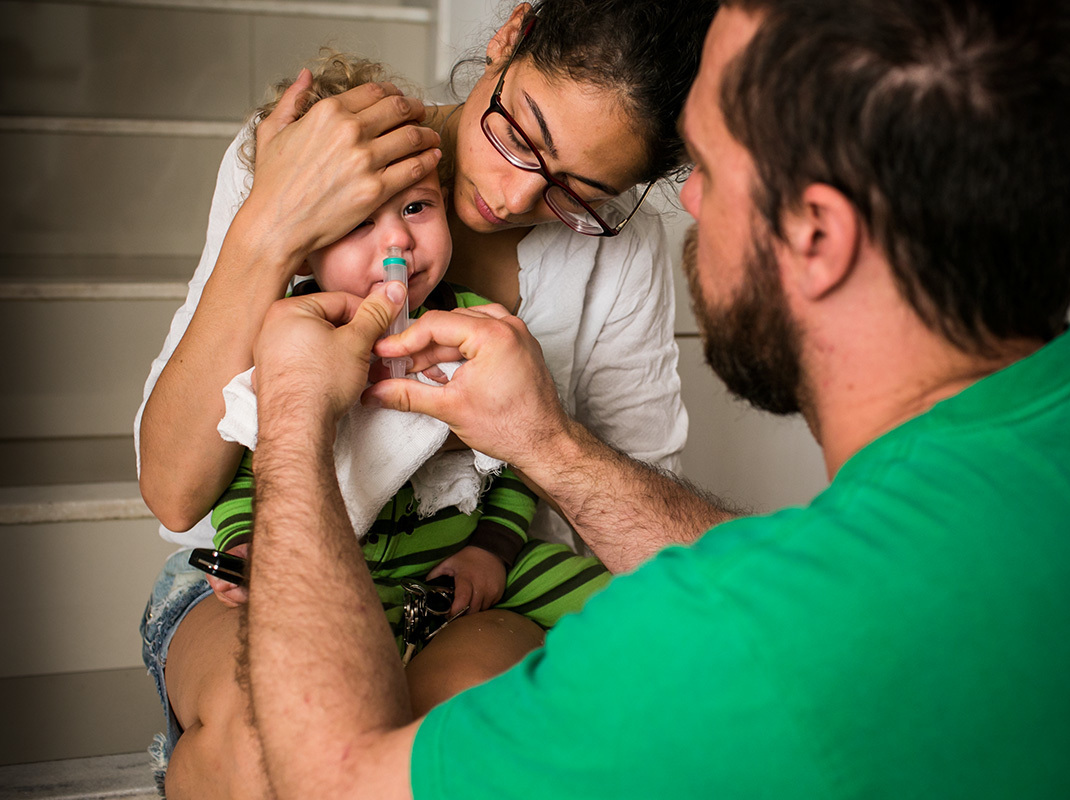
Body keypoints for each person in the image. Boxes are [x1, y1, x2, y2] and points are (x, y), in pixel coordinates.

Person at [240, 0, 1070, 797]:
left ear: (817, 235)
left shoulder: (746, 648)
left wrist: (292, 407)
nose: (690, 201)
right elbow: (845, 582)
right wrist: (550, 444)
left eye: (710, 161)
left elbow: (332, 781)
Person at [137, 1, 717, 796]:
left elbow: (647, 544)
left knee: (458, 734)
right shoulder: (307, 151)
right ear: (509, 37)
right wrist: (268, 226)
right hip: (250, 576)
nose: (515, 196)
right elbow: (176, 491)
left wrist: (524, 455)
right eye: (522, 135)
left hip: (471, 587)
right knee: (269, 737)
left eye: (578, 193)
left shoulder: (620, 250)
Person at [207, 53, 610, 634]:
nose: (398, 238)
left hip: (452, 568)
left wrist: (490, 553)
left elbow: (515, 459)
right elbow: (245, 458)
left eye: (416, 207)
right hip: (327, 568)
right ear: (300, 251)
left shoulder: (478, 329)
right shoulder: (282, 335)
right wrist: (246, 543)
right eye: (357, 222)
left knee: (618, 599)